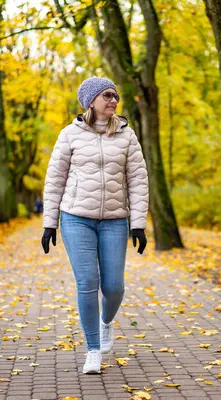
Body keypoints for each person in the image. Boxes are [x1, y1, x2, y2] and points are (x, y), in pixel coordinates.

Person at [41, 77, 149, 374]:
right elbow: (55, 180)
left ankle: (105, 322)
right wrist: (50, 223)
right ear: (91, 101)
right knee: (87, 283)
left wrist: (138, 223)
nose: (114, 100)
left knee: (113, 286)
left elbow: (138, 180)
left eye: (116, 95)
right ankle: (92, 350)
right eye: (107, 95)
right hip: (76, 219)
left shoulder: (127, 136)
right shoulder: (69, 135)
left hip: (114, 220)